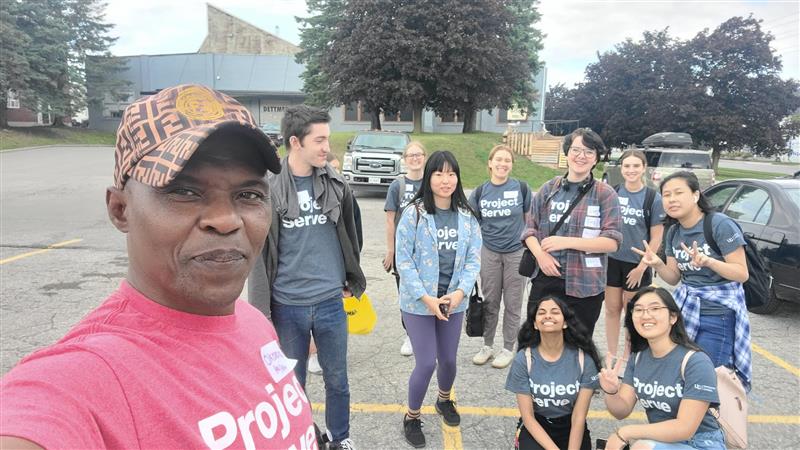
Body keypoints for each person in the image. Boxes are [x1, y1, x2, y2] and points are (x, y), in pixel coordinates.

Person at [0, 84, 317, 448]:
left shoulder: (253, 323)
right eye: (183, 191)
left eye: (248, 195)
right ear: (120, 209)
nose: (226, 220)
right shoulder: (85, 380)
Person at [249, 105, 366, 450]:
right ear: (295, 142)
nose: (326, 147)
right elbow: (259, 256)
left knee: (337, 381)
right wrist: (262, 313)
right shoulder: (269, 191)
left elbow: (352, 232)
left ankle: (339, 438)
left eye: (327, 139)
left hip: (330, 301)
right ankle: (298, 438)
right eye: (320, 140)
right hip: (287, 305)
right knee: (292, 383)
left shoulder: (337, 183)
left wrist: (348, 276)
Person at [633, 171, 751, 390]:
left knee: (709, 378)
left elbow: (741, 273)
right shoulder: (674, 232)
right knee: (685, 373)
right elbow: (674, 277)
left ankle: (714, 424)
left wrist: (709, 262)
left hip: (718, 315)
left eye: (679, 192)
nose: (672, 199)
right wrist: (657, 263)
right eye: (666, 195)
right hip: (686, 312)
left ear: (696, 195)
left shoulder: (719, 224)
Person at [395, 150, 481, 448]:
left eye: (451, 173)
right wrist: (426, 298)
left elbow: (473, 260)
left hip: (453, 302)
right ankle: (412, 416)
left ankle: (444, 400)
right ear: (429, 177)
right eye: (439, 173)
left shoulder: (468, 218)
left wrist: (459, 293)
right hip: (419, 304)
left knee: (448, 360)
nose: (446, 180)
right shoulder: (414, 213)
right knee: (426, 363)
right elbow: (403, 260)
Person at [522, 128, 622, 337]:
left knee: (579, 345)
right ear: (567, 153)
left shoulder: (605, 194)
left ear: (596, 159)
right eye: (576, 150)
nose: (581, 156)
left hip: (585, 284)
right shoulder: (549, 188)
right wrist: (541, 256)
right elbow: (529, 230)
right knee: (537, 339)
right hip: (546, 278)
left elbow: (612, 241)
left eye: (589, 152)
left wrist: (565, 242)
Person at [600, 286, 724, 449]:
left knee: (642, 447)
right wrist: (610, 391)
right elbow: (621, 411)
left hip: (700, 443)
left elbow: (685, 428)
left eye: (655, 308)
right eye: (638, 310)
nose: (646, 315)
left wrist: (626, 432)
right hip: (663, 440)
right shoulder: (637, 358)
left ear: (673, 317)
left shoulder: (696, 361)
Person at [505, 295, 601, 450]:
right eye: (541, 312)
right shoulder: (524, 359)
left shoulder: (584, 359)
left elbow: (579, 416)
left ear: (565, 323)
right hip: (537, 425)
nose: (547, 315)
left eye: (555, 312)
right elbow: (528, 417)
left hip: (571, 425)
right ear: (535, 324)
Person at [469, 144, 531, 369]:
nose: (503, 164)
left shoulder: (521, 188)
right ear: (490, 163)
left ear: (511, 165)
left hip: (516, 252)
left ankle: (507, 347)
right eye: (499, 160)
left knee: (513, 303)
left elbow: (529, 222)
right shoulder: (479, 192)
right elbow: (472, 225)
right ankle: (487, 345)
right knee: (490, 301)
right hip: (489, 252)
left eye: (507, 160)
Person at [604, 149, 665, 358]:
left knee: (633, 314)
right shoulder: (613, 193)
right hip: (612, 261)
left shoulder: (652, 198)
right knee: (612, 310)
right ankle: (612, 356)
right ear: (621, 169)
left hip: (637, 264)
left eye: (636, 166)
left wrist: (642, 267)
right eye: (627, 166)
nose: (631, 170)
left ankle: (629, 358)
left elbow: (656, 237)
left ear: (643, 168)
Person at [384, 141, 427, 357]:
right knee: (406, 295)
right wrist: (390, 250)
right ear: (405, 159)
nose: (415, 158)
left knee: (429, 292)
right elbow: (390, 220)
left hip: (428, 252)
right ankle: (410, 334)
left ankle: (427, 335)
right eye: (411, 155)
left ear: (425, 157)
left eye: (419, 154)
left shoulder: (432, 182)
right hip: (404, 252)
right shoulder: (397, 185)